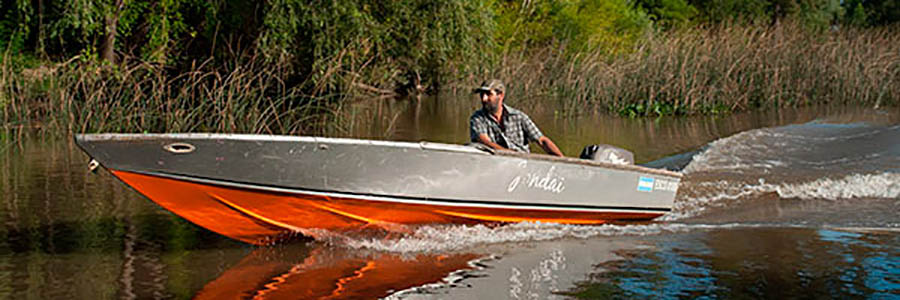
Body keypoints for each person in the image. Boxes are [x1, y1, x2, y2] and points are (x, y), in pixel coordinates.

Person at [469, 79, 564, 157]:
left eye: (488, 94)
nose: (483, 99)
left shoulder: (519, 117)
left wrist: (562, 160)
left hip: (522, 163)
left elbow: (542, 141)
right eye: (482, 95)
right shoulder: (477, 118)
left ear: (500, 95)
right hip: (495, 162)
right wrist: (509, 154)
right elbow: (484, 141)